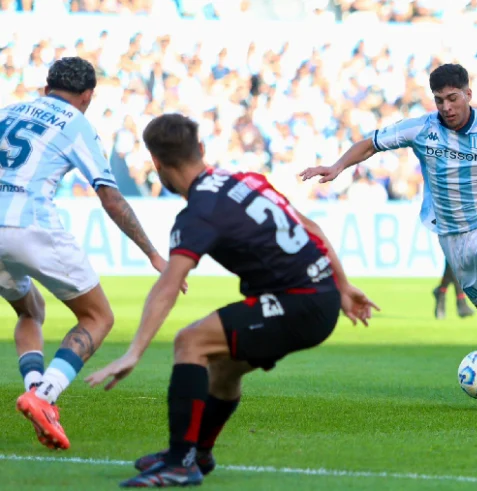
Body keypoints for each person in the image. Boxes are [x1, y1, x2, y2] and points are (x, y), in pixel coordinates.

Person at [86, 113, 378, 487]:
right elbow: (313, 228)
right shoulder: (244, 179)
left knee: (190, 341)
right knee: (224, 367)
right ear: (202, 150)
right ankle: (200, 451)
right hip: (316, 296)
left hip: (299, 302)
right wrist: (342, 285)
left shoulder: (198, 212)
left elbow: (169, 285)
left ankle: (179, 461)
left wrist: (134, 352)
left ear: (156, 164)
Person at [301, 63, 477, 405]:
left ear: (468, 95)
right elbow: (372, 143)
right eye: (439, 100)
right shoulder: (420, 129)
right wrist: (338, 166)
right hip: (451, 234)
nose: (446, 107)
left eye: (453, 98)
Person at [1, 57, 170, 450]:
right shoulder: (77, 124)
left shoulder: (8, 112)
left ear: (46, 88)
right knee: (98, 316)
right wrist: (152, 254)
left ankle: (36, 393)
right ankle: (43, 397)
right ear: (88, 97)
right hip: (30, 225)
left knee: (30, 310)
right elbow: (110, 198)